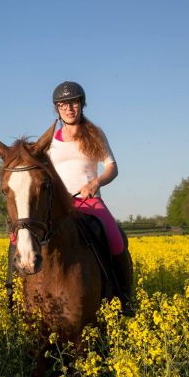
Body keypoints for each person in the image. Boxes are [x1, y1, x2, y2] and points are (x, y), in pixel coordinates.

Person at [47, 81, 134, 315]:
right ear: (57, 108)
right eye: (63, 104)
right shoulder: (50, 141)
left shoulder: (94, 133)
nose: (69, 108)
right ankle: (12, 293)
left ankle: (126, 297)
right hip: (60, 204)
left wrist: (95, 182)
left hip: (88, 201)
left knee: (115, 239)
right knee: (19, 236)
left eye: (74, 102)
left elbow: (112, 167)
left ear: (82, 104)